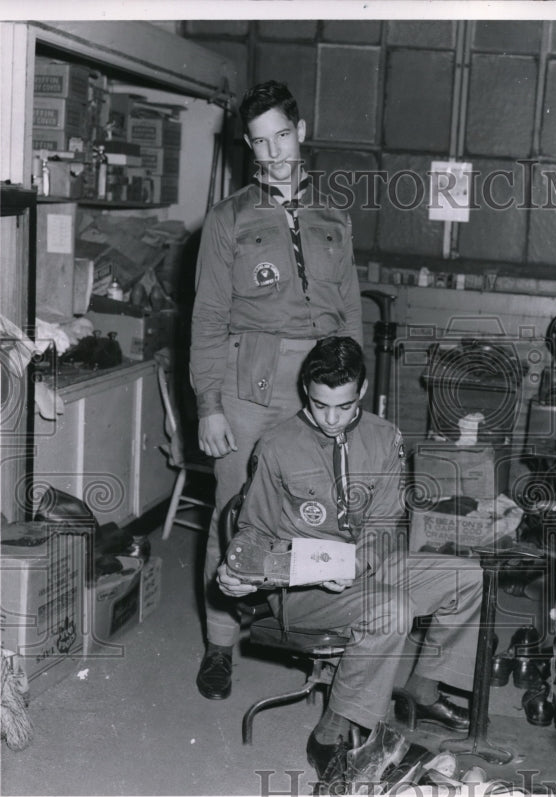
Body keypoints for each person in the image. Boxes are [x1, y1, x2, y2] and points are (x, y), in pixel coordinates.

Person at [217, 337, 483, 782]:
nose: (331, 418)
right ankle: (330, 732)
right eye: (321, 406)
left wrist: (359, 564)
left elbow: (384, 523)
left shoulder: (384, 438)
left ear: (360, 391)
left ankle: (424, 688)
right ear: (306, 389)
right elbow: (254, 529)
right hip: (304, 590)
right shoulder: (278, 444)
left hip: (366, 567)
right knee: (391, 610)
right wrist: (239, 569)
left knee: (468, 576)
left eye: (343, 406)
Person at [190, 80, 363, 700]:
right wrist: (209, 404)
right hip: (246, 384)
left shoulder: (334, 216)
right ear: (248, 146)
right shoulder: (227, 217)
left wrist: (355, 394)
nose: (273, 154)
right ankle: (219, 642)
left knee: (319, 516)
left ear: (301, 130)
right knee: (236, 514)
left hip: (318, 389)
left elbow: (349, 311)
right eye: (259, 143)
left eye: (282, 136)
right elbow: (208, 316)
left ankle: (315, 639)